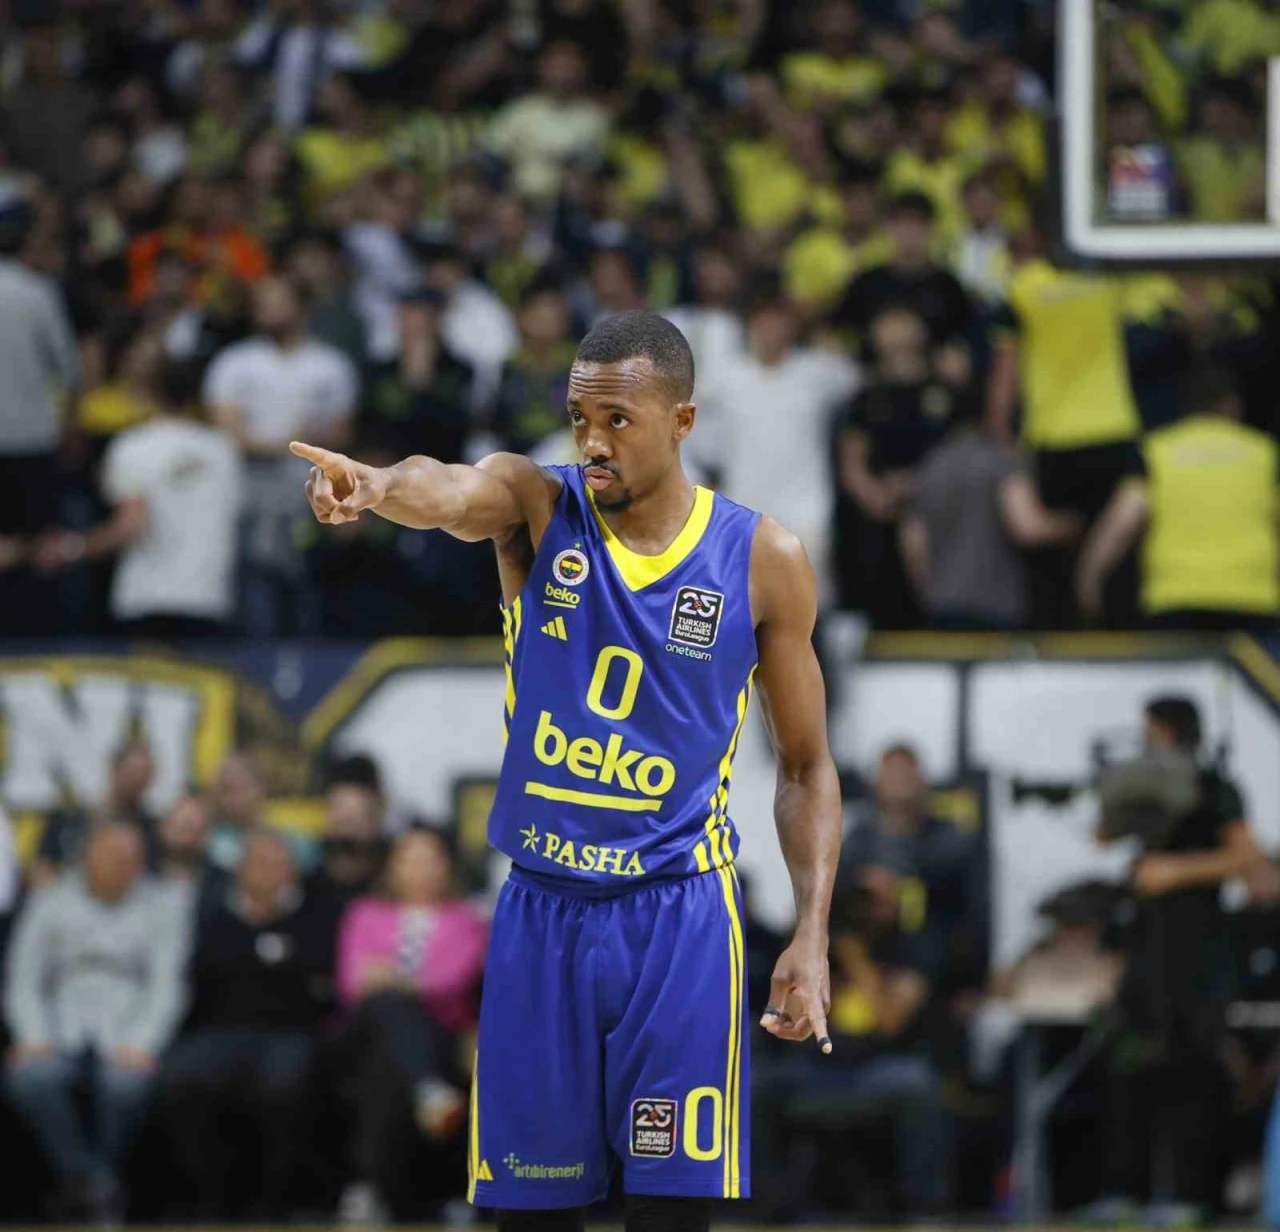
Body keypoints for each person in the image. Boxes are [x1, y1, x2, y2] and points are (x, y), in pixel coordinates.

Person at [292, 308, 842, 1232]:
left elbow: (806, 764)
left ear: (684, 421)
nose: (592, 441)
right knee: (531, 1218)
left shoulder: (762, 558)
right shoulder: (539, 505)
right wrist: (379, 485)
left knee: (670, 1217)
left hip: (679, 916)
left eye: (618, 420)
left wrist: (811, 934)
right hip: (542, 911)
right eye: (580, 418)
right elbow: (452, 490)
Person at [1090, 696, 1267, 1225]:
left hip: (1198, 950)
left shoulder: (1215, 788)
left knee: (1190, 1070)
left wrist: (1177, 870)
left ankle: (1190, 1195)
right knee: (1130, 1065)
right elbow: (1104, 835)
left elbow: (1248, 858)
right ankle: (1124, 1190)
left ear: (1168, 731)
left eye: (1150, 731)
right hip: (1147, 944)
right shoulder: (1146, 786)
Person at [3, 823, 190, 1222]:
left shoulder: (162, 906)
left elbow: (166, 987)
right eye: (115, 857)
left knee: (125, 1086)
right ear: (88, 858)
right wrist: (33, 1036)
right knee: (30, 1079)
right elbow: (24, 979)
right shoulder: (50, 902)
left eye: (133, 859)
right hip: (59, 1030)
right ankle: (95, 1182)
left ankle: (87, 1188)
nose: (126, 866)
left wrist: (141, 1043)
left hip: (127, 1031)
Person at [159, 828, 338, 1221]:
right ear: (239, 870)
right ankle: (210, 1198)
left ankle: (272, 1203)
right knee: (180, 1079)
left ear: (292, 871)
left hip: (290, 1033)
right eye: (257, 863)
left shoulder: (316, 915)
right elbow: (199, 977)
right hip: (218, 1031)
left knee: (282, 1086)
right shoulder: (213, 914)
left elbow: (320, 982)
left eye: (276, 863)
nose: (266, 871)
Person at [335, 826, 488, 1224]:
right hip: (363, 1033)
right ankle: (430, 1095)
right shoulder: (364, 914)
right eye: (410, 859)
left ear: (446, 867)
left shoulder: (466, 919)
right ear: (393, 867)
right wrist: (406, 984)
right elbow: (353, 984)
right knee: (386, 1010)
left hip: (439, 1034)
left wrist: (393, 978)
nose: (420, 869)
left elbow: (452, 980)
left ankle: (374, 1189)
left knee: (389, 1066)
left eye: (429, 860)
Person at [39, 358, 244, 637]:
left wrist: (70, 548)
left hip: (147, 599)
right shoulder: (223, 450)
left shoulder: (132, 447)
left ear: (149, 393)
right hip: (210, 598)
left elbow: (131, 526)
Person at [1076, 369, 1280, 630]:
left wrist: (1089, 574)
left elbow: (1125, 519)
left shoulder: (1155, 451)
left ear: (1185, 407)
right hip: (1253, 596)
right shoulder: (1265, 453)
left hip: (1175, 597)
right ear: (1233, 405)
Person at [899, 396, 1081, 630]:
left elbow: (913, 541)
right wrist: (1074, 525)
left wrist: (930, 592)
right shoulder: (1002, 458)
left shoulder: (932, 463)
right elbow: (1027, 527)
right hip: (996, 608)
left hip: (941, 606)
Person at [33, 739, 158, 887]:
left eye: (144, 774)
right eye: (132, 772)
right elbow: (41, 867)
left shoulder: (149, 830)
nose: (137, 780)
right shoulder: (69, 816)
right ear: (114, 769)